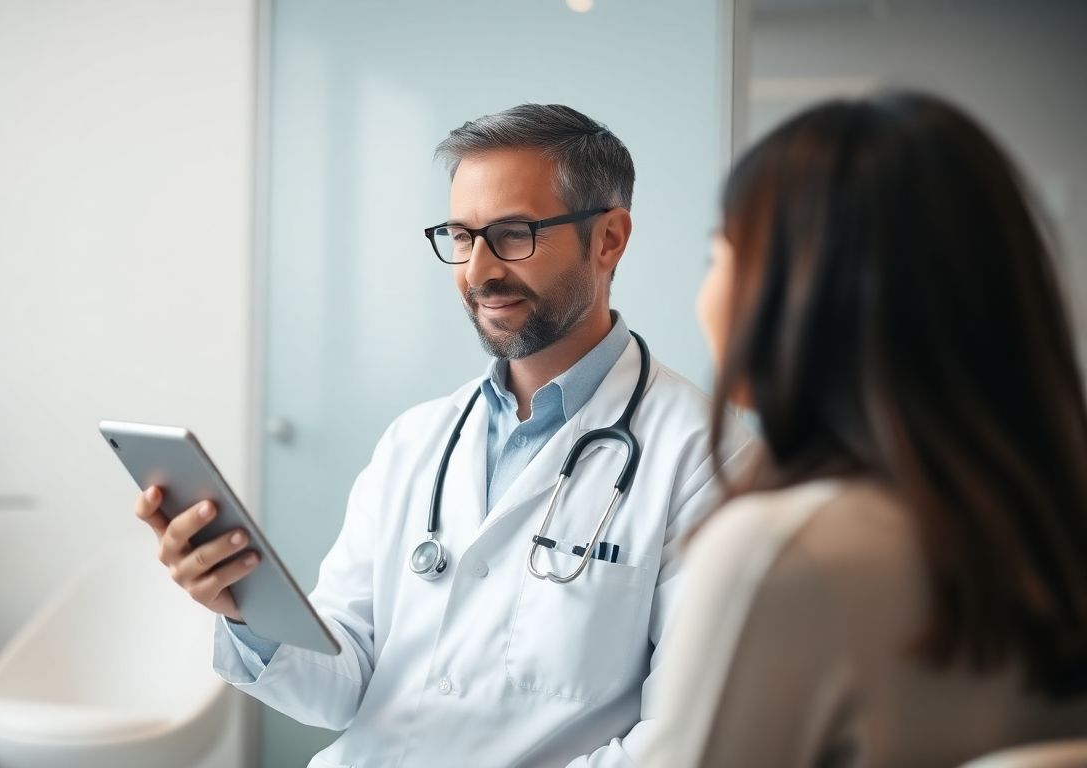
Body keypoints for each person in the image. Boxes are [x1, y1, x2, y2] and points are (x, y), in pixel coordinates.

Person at [134, 103, 757, 765]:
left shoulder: (706, 457)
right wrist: (245, 611)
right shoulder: (417, 440)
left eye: (514, 234)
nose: (478, 271)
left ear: (608, 240)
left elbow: (681, 741)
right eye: (462, 237)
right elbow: (342, 688)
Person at [636, 91, 1087, 766]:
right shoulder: (1049, 535)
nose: (708, 292)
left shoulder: (781, 553)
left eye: (718, 256)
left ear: (801, 291)